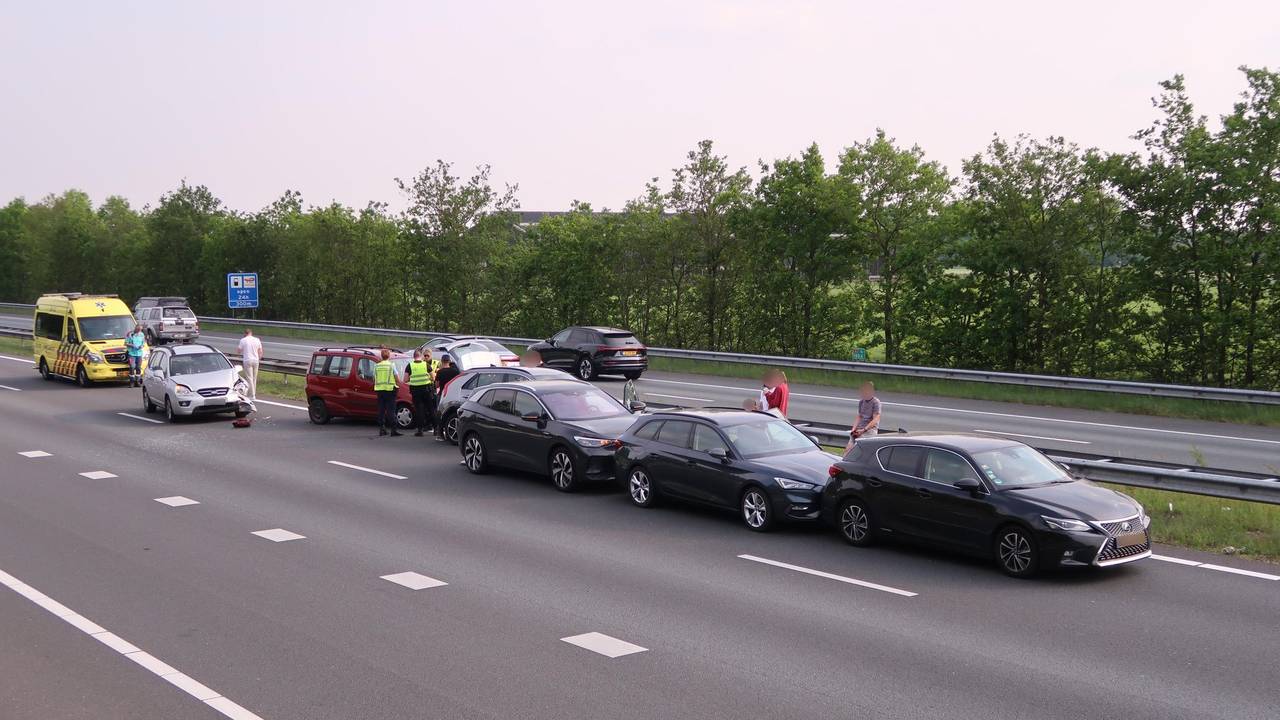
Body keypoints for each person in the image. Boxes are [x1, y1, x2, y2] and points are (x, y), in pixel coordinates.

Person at [404, 348, 435, 437]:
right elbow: (433, 378)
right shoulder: (426, 365)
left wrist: (412, 377)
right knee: (431, 409)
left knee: (419, 410)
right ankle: (436, 429)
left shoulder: (409, 366)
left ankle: (420, 430)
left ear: (414, 357)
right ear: (421, 356)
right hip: (426, 389)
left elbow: (405, 380)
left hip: (415, 391)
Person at [847, 381, 882, 452]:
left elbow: (876, 419)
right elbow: (859, 416)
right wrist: (853, 429)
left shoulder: (876, 402)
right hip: (858, 430)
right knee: (848, 450)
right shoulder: (861, 402)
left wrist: (864, 430)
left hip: (869, 431)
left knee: (858, 451)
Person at [374, 347, 402, 436]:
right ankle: (393, 430)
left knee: (381, 410)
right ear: (389, 356)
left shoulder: (376, 366)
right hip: (390, 390)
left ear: (381, 356)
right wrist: (397, 386)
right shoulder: (391, 365)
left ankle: (382, 429)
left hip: (379, 390)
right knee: (391, 411)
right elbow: (397, 378)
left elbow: (374, 378)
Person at [432, 356, 461, 439]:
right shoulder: (455, 371)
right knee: (452, 413)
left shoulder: (440, 372)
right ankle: (452, 431)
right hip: (453, 394)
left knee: (440, 413)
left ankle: (440, 434)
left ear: (441, 361)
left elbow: (437, 385)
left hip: (442, 394)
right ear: (449, 361)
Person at [237, 329, 263, 400]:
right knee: (254, 378)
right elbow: (260, 351)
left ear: (245, 333)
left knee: (249, 378)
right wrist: (258, 358)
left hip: (247, 360)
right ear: (251, 333)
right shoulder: (257, 339)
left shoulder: (243, 340)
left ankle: (252, 395)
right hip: (256, 360)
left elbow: (238, 351)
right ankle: (253, 393)